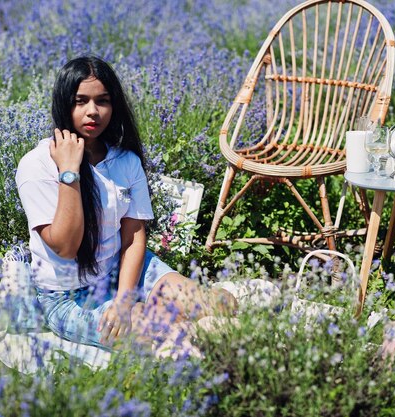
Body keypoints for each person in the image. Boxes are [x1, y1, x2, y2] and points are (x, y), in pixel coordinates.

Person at [15, 56, 238, 353]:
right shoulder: (37, 165)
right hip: (68, 295)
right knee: (167, 331)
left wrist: (123, 298)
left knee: (217, 306)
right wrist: (69, 171)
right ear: (64, 104)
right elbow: (65, 247)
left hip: (124, 268)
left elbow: (133, 236)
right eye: (80, 101)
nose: (92, 111)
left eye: (102, 101)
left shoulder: (125, 161)